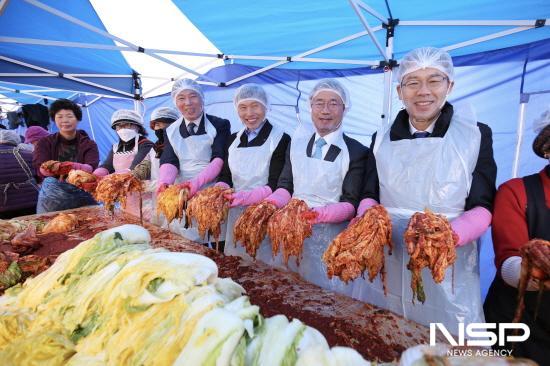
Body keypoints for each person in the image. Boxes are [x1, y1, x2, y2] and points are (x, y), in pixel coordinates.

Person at [353, 47, 497, 334]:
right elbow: (369, 191)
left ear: (450, 85)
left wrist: (448, 237)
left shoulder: (474, 133)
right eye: (413, 82)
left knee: (443, 339)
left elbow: (483, 202)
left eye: (434, 80)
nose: (423, 91)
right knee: (381, 330)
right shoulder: (380, 137)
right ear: (399, 91)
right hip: (388, 251)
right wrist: (367, 220)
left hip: (446, 259)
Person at [256, 78, 368, 295]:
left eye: (333, 103)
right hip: (289, 231)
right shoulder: (296, 145)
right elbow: (286, 185)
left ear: (345, 108)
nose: (325, 110)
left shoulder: (356, 151)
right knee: (287, 291)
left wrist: (320, 214)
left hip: (329, 239)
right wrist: (270, 203)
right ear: (311, 107)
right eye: (319, 103)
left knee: (323, 298)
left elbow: (351, 202)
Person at [484, 109, 550, 364]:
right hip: (517, 326)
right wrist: (539, 271)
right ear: (546, 148)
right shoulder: (517, 192)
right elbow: (509, 265)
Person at [217, 84, 291, 255]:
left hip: (266, 212)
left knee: (266, 269)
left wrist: (249, 197)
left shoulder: (281, 138)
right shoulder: (233, 139)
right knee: (237, 262)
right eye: (243, 107)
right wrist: (220, 187)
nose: (249, 113)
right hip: (234, 211)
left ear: (266, 107)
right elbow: (227, 175)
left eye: (255, 106)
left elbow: (278, 182)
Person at [157, 78, 230, 241]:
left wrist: (195, 184)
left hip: (211, 191)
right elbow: (170, 159)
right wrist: (164, 182)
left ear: (202, 98)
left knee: (215, 241)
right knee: (187, 241)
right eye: (181, 98)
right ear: (175, 103)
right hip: (182, 195)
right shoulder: (171, 130)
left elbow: (219, 158)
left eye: (193, 96)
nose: (188, 103)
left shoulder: (220, 124)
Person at [33, 99, 99, 213]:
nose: (65, 120)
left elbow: (91, 167)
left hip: (82, 191)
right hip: (53, 195)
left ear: (77, 119)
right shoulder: (44, 142)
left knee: (91, 224)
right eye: (60, 117)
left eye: (69, 116)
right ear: (54, 119)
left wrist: (68, 166)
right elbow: (40, 167)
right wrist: (46, 170)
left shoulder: (89, 144)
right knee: (50, 226)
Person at [131, 106, 180, 222]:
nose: (161, 128)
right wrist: (130, 177)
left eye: (166, 124)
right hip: (157, 200)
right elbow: (144, 167)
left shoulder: (181, 146)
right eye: (157, 125)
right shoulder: (155, 148)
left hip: (175, 199)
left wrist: (147, 185)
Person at [0, 129, 39, 219]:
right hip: (30, 203)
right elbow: (39, 177)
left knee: (7, 231)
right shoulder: (29, 154)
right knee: (32, 229)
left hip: (2, 206)